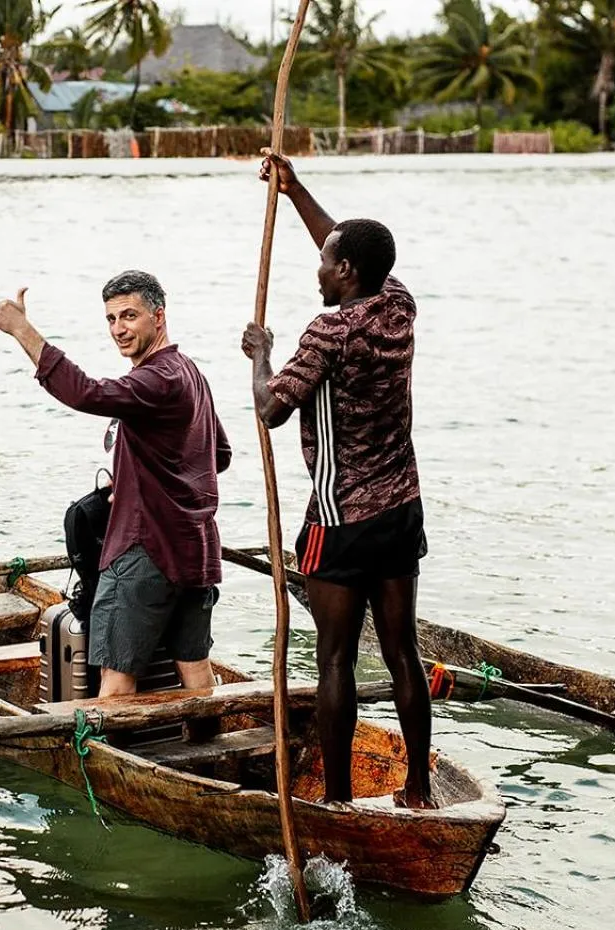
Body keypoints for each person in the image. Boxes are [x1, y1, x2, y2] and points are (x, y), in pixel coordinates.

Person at [240, 152, 435, 809]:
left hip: (340, 518)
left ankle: (338, 800)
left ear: (346, 271)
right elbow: (347, 241)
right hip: (401, 508)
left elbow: (271, 408)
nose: (318, 268)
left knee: (334, 658)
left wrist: (262, 356)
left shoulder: (328, 332)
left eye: (326, 262)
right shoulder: (398, 306)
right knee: (402, 651)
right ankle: (417, 789)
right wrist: (295, 191)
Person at [0, 271, 231, 697]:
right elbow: (219, 455)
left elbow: (86, 393)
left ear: (159, 317)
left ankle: (110, 744)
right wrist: (141, 480)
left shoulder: (157, 378)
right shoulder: (189, 372)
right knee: (196, 672)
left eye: (129, 316)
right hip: (194, 549)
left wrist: (22, 330)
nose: (119, 328)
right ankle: (208, 740)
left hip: (147, 551)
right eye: (111, 319)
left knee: (116, 682)